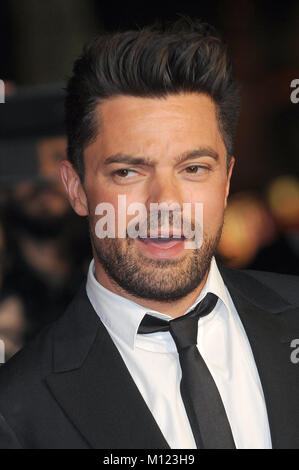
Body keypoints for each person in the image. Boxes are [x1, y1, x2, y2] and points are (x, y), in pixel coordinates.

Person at [0, 17, 298, 450]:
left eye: (193, 168)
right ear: (77, 189)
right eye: (127, 171)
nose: (165, 202)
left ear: (227, 180)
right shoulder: (15, 411)